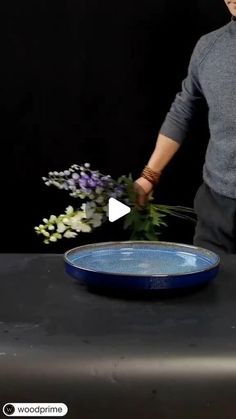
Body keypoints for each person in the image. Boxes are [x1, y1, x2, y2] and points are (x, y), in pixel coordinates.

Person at [135, 0, 236, 255]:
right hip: (217, 206)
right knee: (215, 290)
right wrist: (149, 176)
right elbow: (183, 110)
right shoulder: (209, 47)